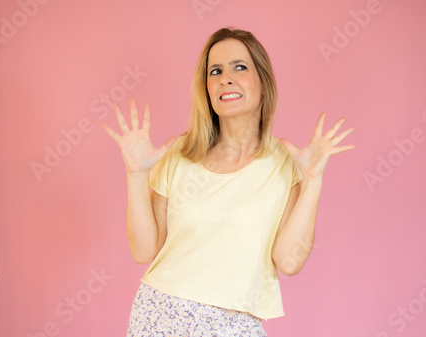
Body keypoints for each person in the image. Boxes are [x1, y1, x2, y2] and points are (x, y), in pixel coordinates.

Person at [103, 27, 355, 336]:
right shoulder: (181, 154)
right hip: (161, 315)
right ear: (206, 88)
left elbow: (289, 262)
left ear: (262, 82)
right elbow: (144, 251)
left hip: (235, 324)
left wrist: (313, 180)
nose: (225, 78)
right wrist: (136, 175)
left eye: (240, 67)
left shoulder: (283, 165)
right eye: (215, 71)